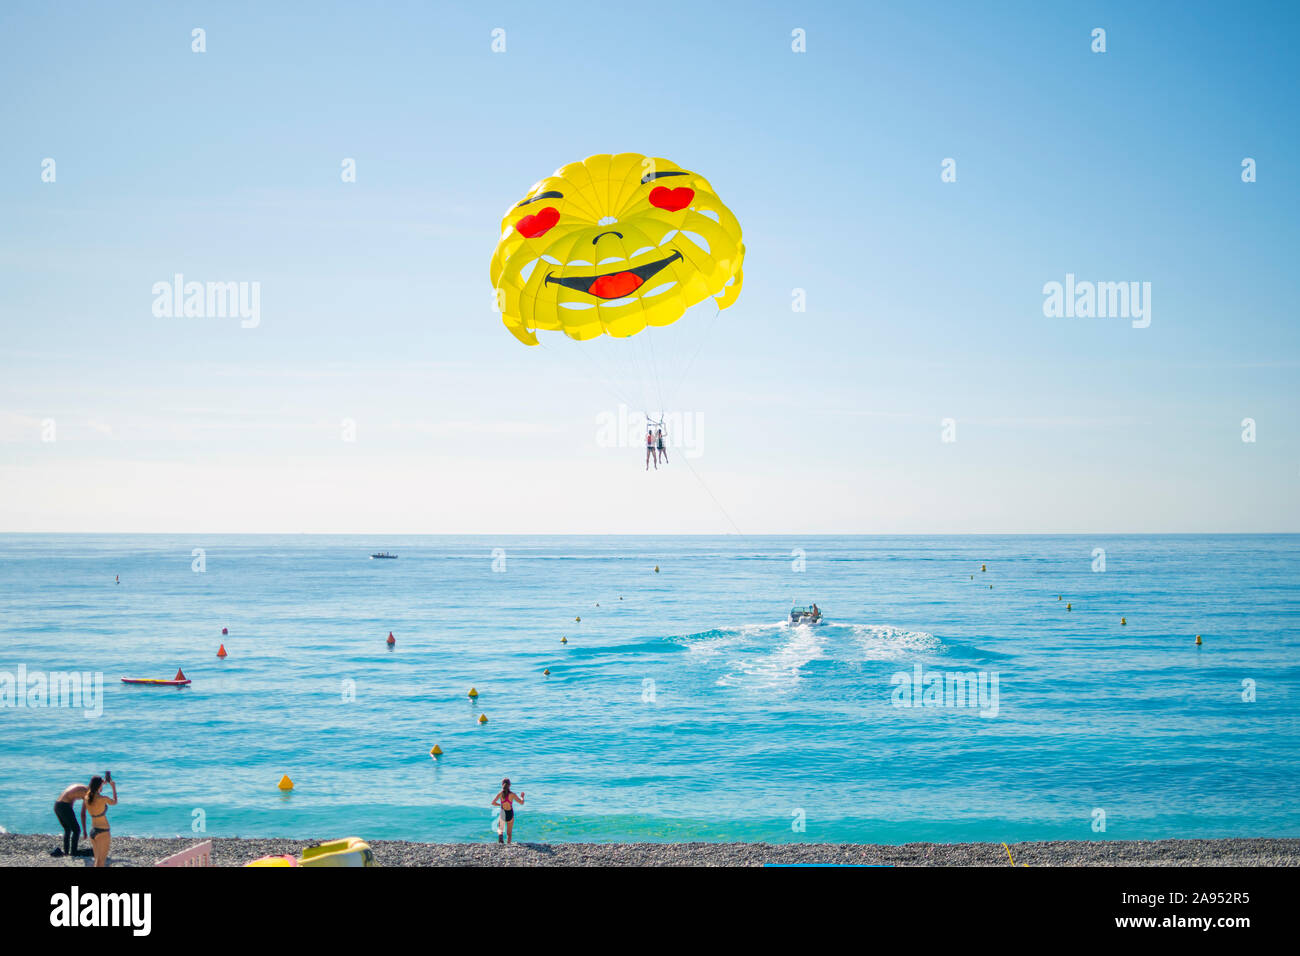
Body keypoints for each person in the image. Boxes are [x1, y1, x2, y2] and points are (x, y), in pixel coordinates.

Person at [83, 773, 117, 867]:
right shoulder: (103, 799)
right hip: (103, 831)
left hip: (93, 831)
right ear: (99, 786)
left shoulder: (87, 798)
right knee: (101, 862)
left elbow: (93, 791)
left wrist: (102, 784)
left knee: (97, 861)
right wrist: (113, 787)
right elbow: (114, 802)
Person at [52, 781, 91, 857]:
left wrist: (70, 812)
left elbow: (71, 798)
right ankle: (73, 852)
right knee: (77, 830)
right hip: (64, 806)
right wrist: (85, 831)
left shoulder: (81, 787)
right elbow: (83, 814)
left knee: (67, 829)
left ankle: (66, 852)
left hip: (57, 805)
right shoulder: (87, 793)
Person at [491, 777, 525, 844]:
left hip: (503, 812)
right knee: (509, 833)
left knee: (500, 829)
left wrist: (499, 805)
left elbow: (493, 803)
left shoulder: (500, 794)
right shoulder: (512, 794)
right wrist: (522, 797)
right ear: (510, 785)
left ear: (502, 785)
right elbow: (521, 803)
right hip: (510, 814)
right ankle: (508, 845)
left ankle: (500, 835)